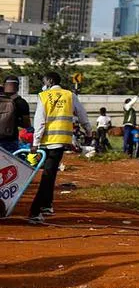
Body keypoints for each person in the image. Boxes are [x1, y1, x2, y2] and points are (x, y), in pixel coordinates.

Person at [29, 71, 90, 223]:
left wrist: (35, 143)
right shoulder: (70, 95)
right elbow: (82, 115)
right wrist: (88, 131)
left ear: (49, 81)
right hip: (61, 141)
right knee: (50, 174)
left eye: (44, 81)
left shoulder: (43, 96)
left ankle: (36, 211)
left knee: (48, 175)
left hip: (46, 141)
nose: (44, 84)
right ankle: (44, 206)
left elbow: (40, 121)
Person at [0, 76, 31, 153]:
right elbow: (26, 124)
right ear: (17, 87)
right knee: (8, 163)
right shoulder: (21, 102)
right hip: (10, 140)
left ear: (4, 86)